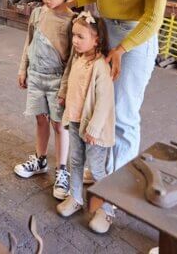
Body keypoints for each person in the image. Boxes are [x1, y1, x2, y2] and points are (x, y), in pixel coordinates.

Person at [66, 0, 168, 172]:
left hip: (134, 41)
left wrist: (122, 49)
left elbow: (153, 18)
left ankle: (116, 182)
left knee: (123, 114)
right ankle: (101, 170)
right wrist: (73, 2)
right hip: (107, 33)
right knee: (101, 105)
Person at [14, 0, 75, 200]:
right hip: (36, 76)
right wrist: (23, 68)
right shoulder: (37, 13)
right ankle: (39, 160)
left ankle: (62, 171)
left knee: (59, 125)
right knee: (40, 119)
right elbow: (28, 41)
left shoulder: (71, 20)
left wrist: (66, 87)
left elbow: (71, 59)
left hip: (57, 78)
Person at [55, 12, 115, 234]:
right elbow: (68, 77)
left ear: (97, 39)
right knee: (75, 162)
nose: (75, 41)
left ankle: (107, 209)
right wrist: (62, 93)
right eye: (73, 35)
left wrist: (94, 128)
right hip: (74, 120)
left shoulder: (101, 66)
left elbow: (105, 100)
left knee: (97, 170)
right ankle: (76, 196)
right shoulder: (77, 58)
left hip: (93, 130)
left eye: (80, 37)